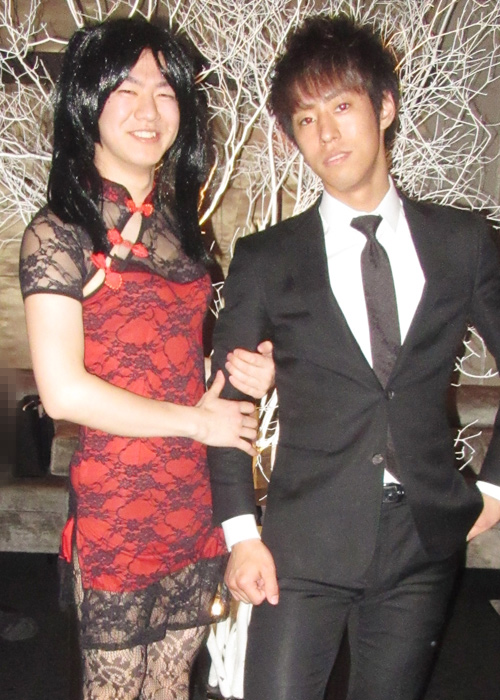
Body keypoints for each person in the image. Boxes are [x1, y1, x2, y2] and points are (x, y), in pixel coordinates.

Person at [208, 14, 500, 700]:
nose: (327, 134)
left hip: (422, 539)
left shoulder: (461, 242)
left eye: (341, 107)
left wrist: (493, 488)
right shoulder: (267, 258)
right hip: (301, 542)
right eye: (306, 120)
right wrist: (240, 534)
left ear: (385, 107)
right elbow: (228, 404)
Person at [19, 17, 274, 700]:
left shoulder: (182, 226)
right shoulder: (58, 231)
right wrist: (197, 422)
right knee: (114, 689)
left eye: (165, 92)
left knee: (171, 683)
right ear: (87, 103)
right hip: (120, 501)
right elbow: (63, 393)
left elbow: (184, 358)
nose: (149, 109)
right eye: (126, 90)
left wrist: (248, 369)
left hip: (195, 493)